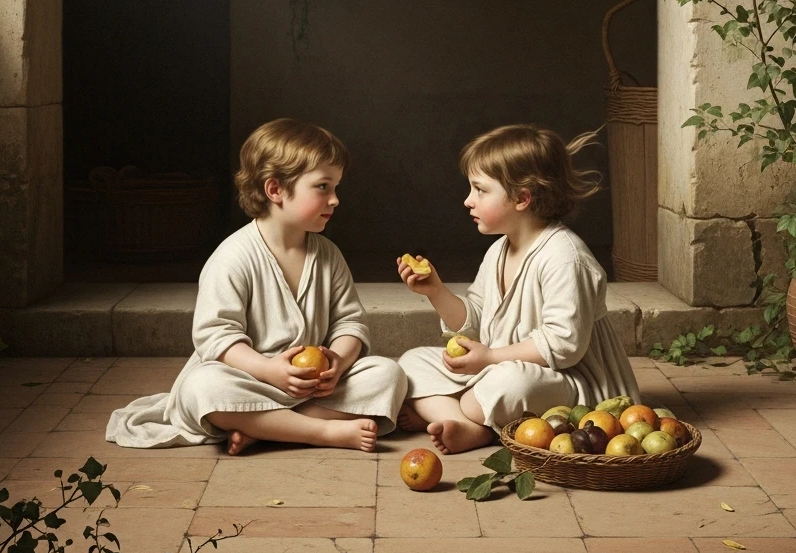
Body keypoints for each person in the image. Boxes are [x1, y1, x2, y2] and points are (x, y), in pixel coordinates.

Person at [106, 119, 407, 455]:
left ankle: (268, 428)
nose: (335, 199)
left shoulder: (328, 256)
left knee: (388, 374)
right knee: (201, 386)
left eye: (336, 187)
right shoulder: (232, 258)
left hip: (313, 387)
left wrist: (339, 358)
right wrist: (268, 370)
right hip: (250, 381)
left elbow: (350, 322)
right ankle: (320, 430)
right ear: (275, 190)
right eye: (323, 187)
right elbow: (216, 336)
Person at [397, 123, 641, 454]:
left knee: (510, 384)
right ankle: (472, 424)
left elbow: (564, 346)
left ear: (522, 198)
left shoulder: (565, 257)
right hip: (496, 364)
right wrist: (435, 291)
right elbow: (476, 320)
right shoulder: (499, 250)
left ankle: (467, 419)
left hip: (571, 383)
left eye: (480, 190)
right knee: (410, 364)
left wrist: (490, 358)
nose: (468, 200)